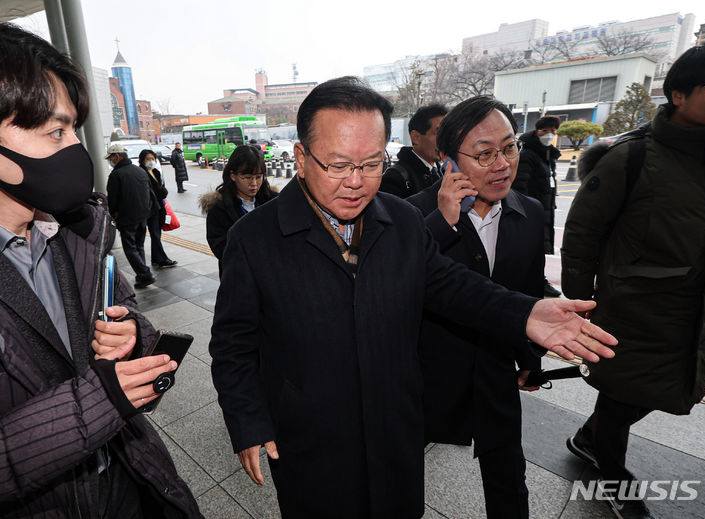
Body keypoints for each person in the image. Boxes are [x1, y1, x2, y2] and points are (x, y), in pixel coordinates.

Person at [209, 76, 616, 518]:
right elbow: (233, 345)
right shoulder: (253, 238)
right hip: (310, 430)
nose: (356, 182)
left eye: (370, 164)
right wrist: (248, 422)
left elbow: (452, 285)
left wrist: (526, 312)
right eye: (339, 165)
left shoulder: (400, 220)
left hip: (393, 425)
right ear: (302, 158)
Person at [0, 22, 201, 517]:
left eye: (72, 128)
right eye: (56, 131)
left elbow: (127, 313)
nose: (74, 148)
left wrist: (132, 336)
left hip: (129, 484)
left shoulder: (79, 235)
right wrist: (100, 400)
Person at [561, 38, 705, 519]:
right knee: (624, 390)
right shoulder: (630, 157)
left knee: (672, 384)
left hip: (696, 305)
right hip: (632, 307)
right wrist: (579, 298)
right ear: (678, 94)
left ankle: (591, 438)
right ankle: (608, 468)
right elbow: (584, 228)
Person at [406, 95, 545, 519]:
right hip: (424, 374)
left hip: (494, 368)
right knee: (401, 477)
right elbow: (396, 288)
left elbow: (526, 291)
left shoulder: (530, 213)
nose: (502, 163)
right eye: (485, 154)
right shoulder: (411, 216)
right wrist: (441, 224)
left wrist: (529, 356)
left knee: (508, 479)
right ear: (447, 160)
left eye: (509, 147)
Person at [199, 145, 277, 275]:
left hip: (271, 276)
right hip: (239, 278)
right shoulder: (220, 207)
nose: (254, 183)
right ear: (233, 175)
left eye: (258, 177)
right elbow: (221, 248)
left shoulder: (273, 201)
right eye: (247, 177)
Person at [512, 115, 562, 297]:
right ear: (536, 131)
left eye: (553, 131)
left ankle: (538, 279)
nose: (549, 135)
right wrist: (527, 209)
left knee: (538, 247)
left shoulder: (548, 155)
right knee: (532, 248)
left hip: (544, 207)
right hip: (533, 209)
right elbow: (520, 186)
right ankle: (536, 281)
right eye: (545, 131)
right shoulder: (528, 155)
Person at [106, 143, 157, 288]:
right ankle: (141, 275)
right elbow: (149, 194)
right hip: (143, 216)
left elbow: (113, 200)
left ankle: (145, 274)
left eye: (111, 157)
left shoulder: (116, 175)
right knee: (139, 245)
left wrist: (114, 215)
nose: (110, 160)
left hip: (127, 218)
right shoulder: (139, 171)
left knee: (129, 248)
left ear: (117, 156)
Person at [379, 103, 446, 198]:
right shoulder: (395, 178)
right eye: (439, 133)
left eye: (447, 134)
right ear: (416, 137)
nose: (445, 140)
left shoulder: (443, 173)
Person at [139, 148, 177, 269]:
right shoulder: (141, 172)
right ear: (142, 160)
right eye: (148, 159)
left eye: (153, 159)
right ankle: (162, 259)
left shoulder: (155, 171)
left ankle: (156, 258)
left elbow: (160, 187)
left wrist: (162, 191)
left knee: (157, 233)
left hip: (158, 207)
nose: (151, 161)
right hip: (149, 208)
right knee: (155, 233)